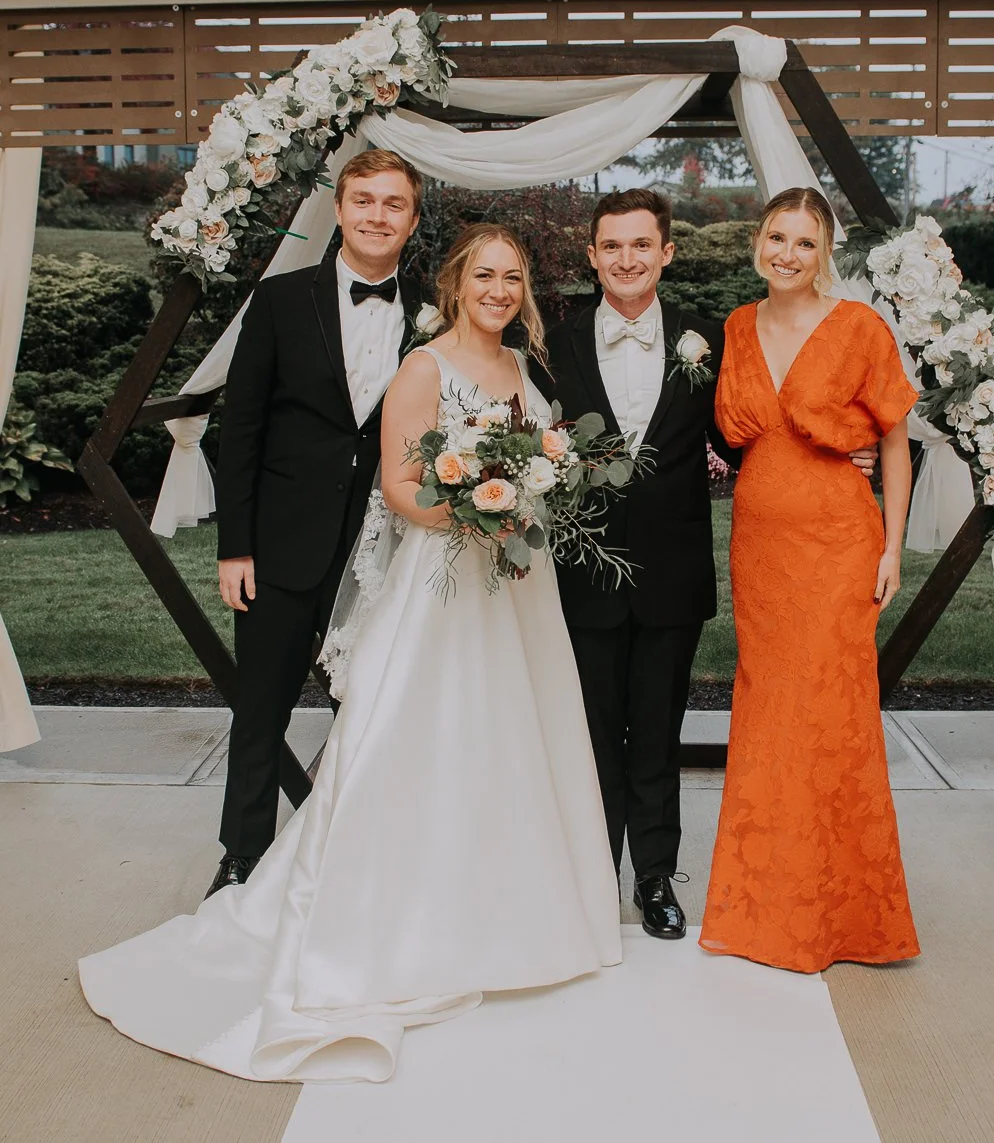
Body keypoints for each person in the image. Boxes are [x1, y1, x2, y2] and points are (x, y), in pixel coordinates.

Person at [78, 223, 621, 1084]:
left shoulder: (526, 373)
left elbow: (544, 464)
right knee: (420, 740)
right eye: (485, 275)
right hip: (444, 583)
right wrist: (476, 512)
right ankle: (395, 919)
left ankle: (509, 914)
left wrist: (531, 494)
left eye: (512, 278)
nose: (499, 290)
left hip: (517, 588)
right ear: (455, 283)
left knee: (513, 738)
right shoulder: (423, 367)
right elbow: (400, 490)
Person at [541, 188, 877, 941]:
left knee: (658, 732)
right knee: (590, 733)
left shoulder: (709, 338)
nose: (627, 259)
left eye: (641, 245)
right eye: (612, 246)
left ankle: (655, 877)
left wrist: (846, 447)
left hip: (672, 569)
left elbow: (748, 433)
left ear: (666, 252)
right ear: (593, 256)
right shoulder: (554, 343)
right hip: (583, 570)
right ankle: (592, 878)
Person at [700, 187, 921, 973]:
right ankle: (764, 906)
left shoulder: (860, 326)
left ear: (824, 251)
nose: (786, 253)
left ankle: (844, 916)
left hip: (837, 544)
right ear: (756, 243)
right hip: (760, 547)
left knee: (832, 714)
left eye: (803, 241)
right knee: (767, 712)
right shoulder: (735, 326)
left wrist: (892, 545)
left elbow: (894, 444)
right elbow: (728, 434)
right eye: (775, 237)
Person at [207, 148, 425, 897]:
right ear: (339, 210)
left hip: (380, 551)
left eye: (393, 203)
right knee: (261, 708)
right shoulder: (279, 301)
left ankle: (351, 858)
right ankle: (240, 856)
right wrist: (235, 544)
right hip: (278, 544)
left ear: (413, 219)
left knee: (367, 711)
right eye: (363, 199)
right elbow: (240, 433)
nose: (376, 214)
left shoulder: (434, 312)